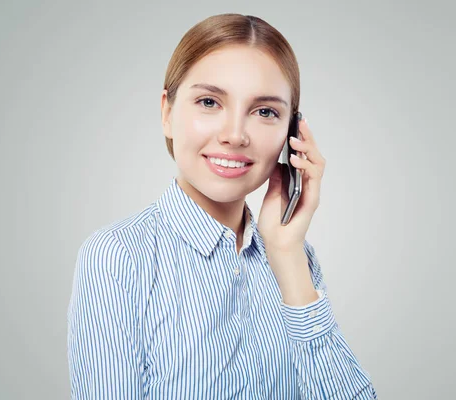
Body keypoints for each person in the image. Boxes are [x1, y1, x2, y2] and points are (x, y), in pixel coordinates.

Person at [67, 13, 378, 399]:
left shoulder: (297, 259)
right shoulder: (118, 257)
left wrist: (287, 257)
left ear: (291, 134)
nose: (234, 135)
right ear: (168, 113)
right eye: (209, 101)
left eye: (265, 111)